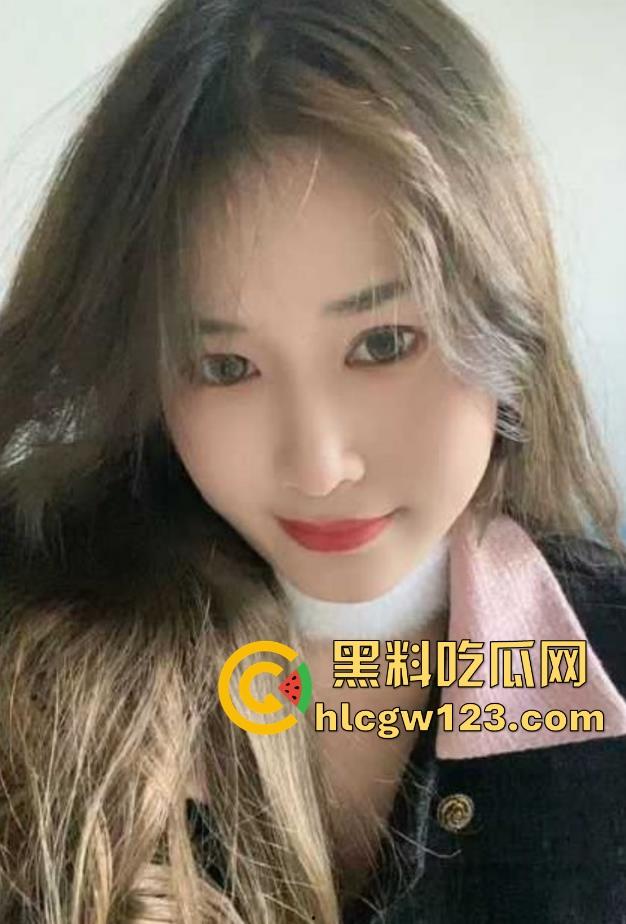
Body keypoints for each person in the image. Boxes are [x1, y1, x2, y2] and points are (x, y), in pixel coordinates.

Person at [0, 0, 624, 922]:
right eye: (224, 367)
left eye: (383, 344)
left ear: (505, 321)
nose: (320, 466)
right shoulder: (33, 635)